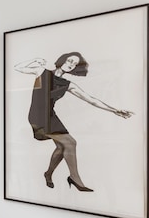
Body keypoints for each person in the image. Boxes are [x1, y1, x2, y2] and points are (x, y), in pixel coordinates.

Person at [14, 52, 133, 192]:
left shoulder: (68, 85)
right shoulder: (42, 71)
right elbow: (18, 67)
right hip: (37, 116)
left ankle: (48, 174)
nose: (71, 64)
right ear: (62, 60)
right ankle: (75, 178)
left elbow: (91, 100)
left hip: (51, 116)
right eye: (69, 60)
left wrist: (114, 110)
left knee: (62, 147)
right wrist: (34, 59)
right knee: (70, 142)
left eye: (75, 64)